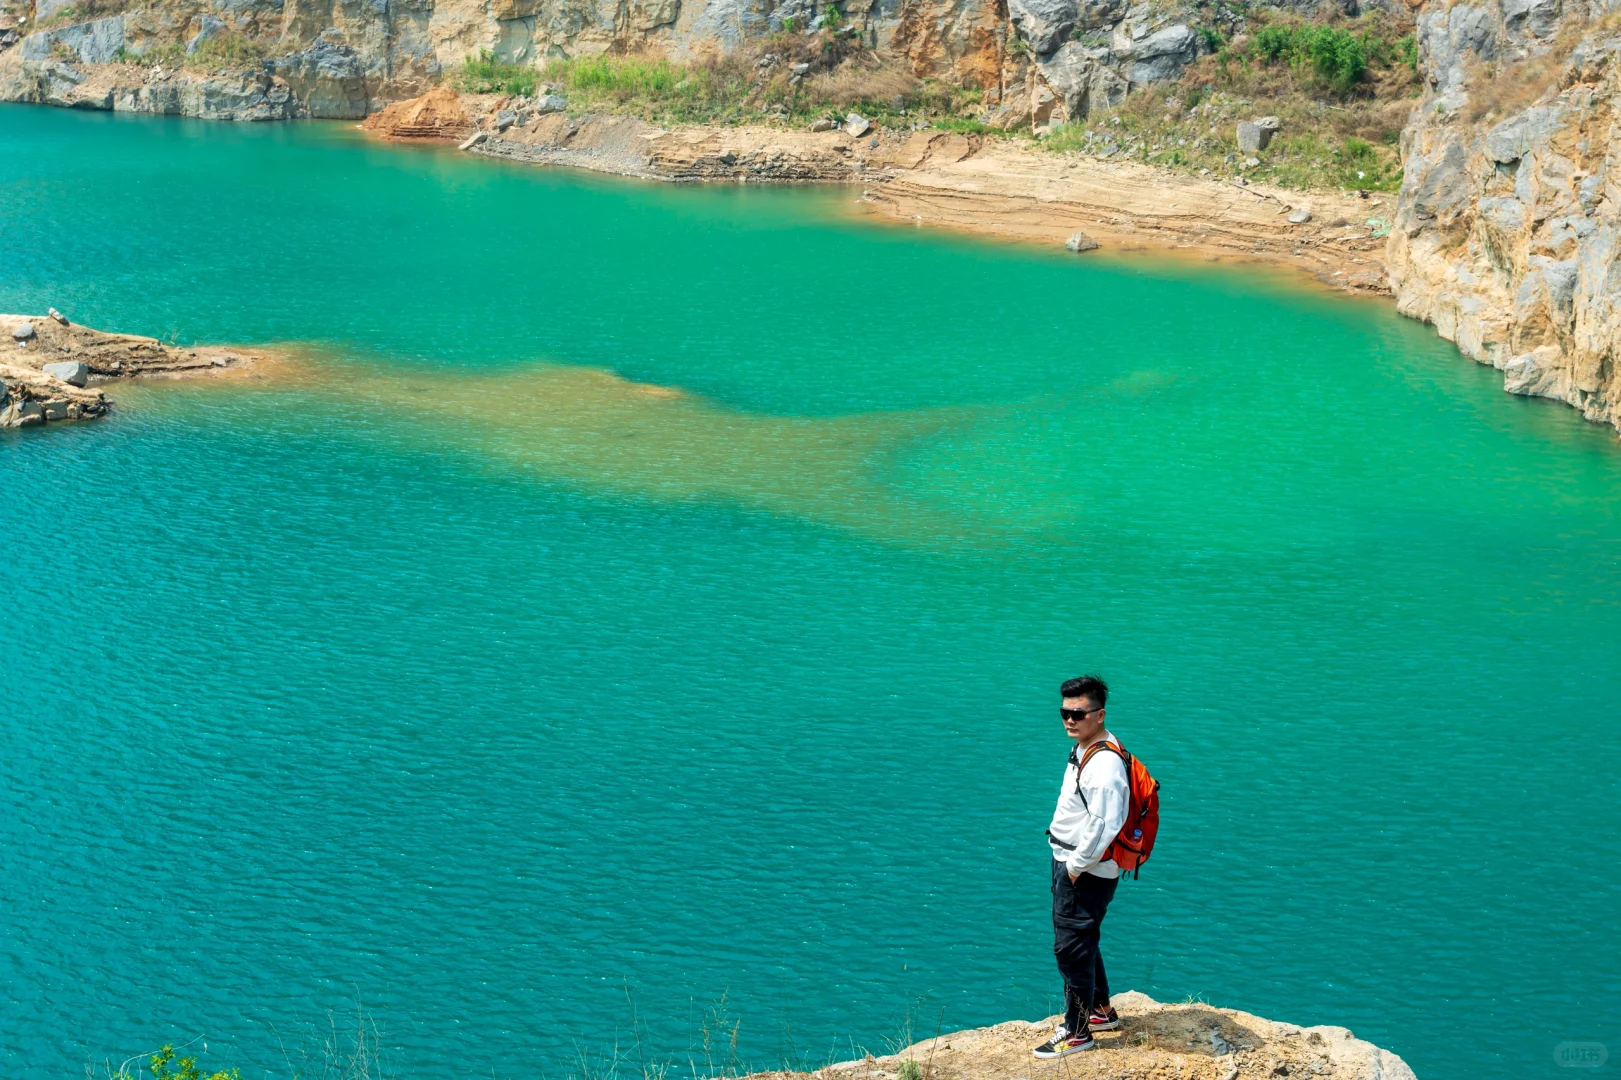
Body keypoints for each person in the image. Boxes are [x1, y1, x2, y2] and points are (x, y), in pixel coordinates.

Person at [1032, 675, 1130, 1058]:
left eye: (1078, 713)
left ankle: (1077, 1033)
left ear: (1099, 714)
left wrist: (1074, 866)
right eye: (1064, 712)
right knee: (1083, 939)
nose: (1069, 720)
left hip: (1083, 869)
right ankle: (1101, 1011)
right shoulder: (1088, 746)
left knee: (1069, 949)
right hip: (1074, 862)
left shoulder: (1104, 766)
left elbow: (1105, 824)